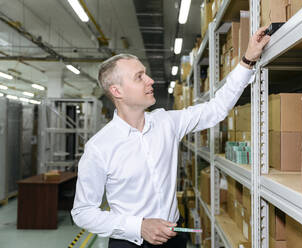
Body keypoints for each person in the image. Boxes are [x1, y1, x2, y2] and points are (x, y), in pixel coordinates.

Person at [71, 26, 270, 248]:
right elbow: (82, 212)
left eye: (145, 73)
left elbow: (216, 109)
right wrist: (139, 226)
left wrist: (247, 60)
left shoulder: (166, 123)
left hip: (173, 238)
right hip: (130, 243)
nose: (151, 80)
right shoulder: (99, 147)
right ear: (117, 91)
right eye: (139, 77)